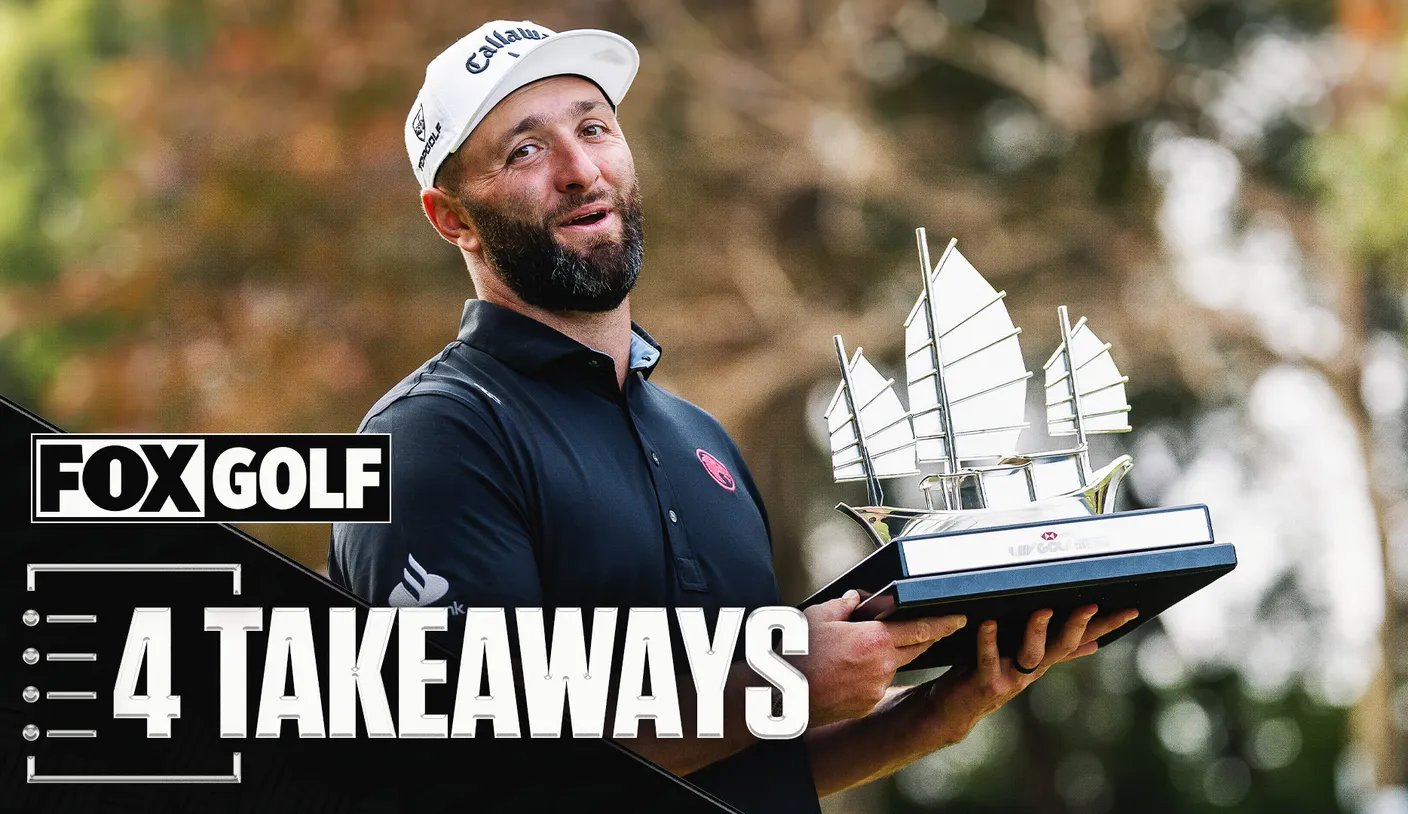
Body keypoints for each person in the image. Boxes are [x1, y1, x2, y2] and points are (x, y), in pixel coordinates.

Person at [329, 19, 1138, 813]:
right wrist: (779, 680)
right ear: (452, 218)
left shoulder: (700, 440)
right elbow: (474, 769)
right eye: (526, 151)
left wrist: (943, 710)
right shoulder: (430, 440)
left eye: (594, 127)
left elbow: (747, 764)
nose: (581, 170)